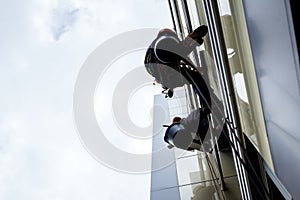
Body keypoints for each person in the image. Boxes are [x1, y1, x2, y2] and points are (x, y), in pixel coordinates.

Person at [144, 25, 208, 91]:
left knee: (172, 55)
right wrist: (195, 68)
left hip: (162, 51)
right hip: (170, 50)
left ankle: (193, 41)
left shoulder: (152, 67)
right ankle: (193, 41)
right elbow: (182, 55)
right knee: (179, 54)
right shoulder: (173, 45)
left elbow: (182, 56)